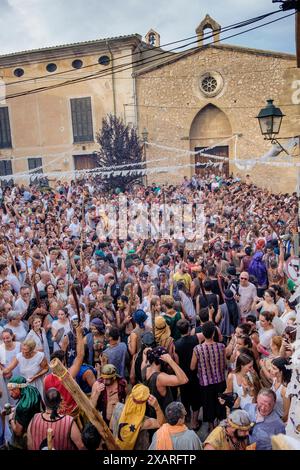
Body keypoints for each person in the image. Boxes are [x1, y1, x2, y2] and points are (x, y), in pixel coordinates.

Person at [190, 321, 226, 432]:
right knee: (220, 404)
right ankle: (221, 427)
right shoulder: (221, 346)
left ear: (203, 334)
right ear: (213, 334)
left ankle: (211, 427)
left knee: (208, 404)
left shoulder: (197, 349)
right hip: (220, 381)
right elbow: (224, 364)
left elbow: (192, 367)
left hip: (205, 383)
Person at [110, 384, 165, 450]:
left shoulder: (117, 407)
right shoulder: (143, 422)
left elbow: (111, 427)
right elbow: (161, 424)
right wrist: (157, 407)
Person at [142, 347, 188, 415]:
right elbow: (184, 380)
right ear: (161, 361)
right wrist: (170, 361)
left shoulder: (144, 368)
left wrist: (147, 353)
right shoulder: (160, 378)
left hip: (151, 412)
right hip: (164, 415)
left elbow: (144, 356)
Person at [174, 319, 201, 430]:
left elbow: (176, 362)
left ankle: (188, 419)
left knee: (185, 399)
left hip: (183, 376)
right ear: (189, 329)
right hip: (194, 374)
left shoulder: (176, 344)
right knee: (196, 399)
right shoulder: (196, 338)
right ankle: (194, 422)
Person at [7, 376, 43, 449]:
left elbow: (18, 432)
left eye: (13, 390)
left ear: (20, 388)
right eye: (10, 390)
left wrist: (11, 419)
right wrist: (15, 407)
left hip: (26, 440)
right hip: (39, 431)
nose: (11, 394)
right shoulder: (33, 390)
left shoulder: (22, 407)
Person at [269, 357, 291, 422]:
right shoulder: (275, 379)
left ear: (281, 372)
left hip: (280, 420)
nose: (270, 369)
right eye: (271, 367)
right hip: (272, 415)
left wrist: (277, 423)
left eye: (274, 368)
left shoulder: (284, 390)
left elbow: (286, 414)